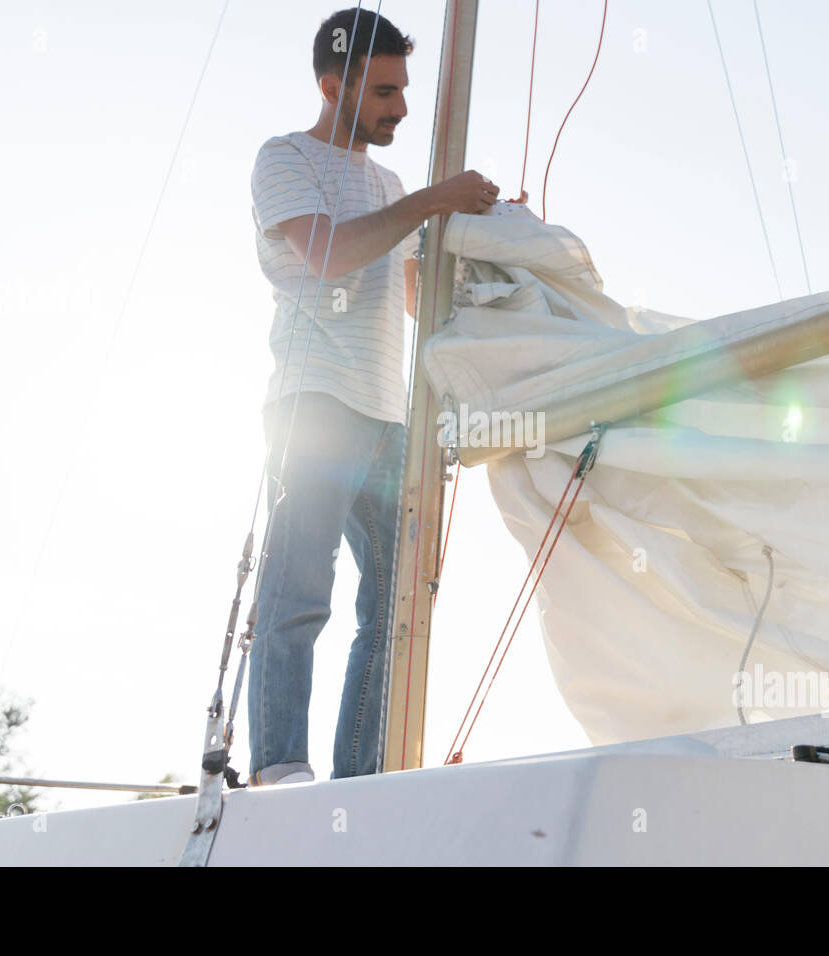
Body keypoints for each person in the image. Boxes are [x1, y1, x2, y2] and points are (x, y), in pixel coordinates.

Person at [246, 8, 500, 786]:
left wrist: (493, 243)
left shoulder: (390, 185)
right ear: (335, 85)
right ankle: (280, 765)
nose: (401, 107)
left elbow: (413, 293)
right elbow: (329, 256)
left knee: (395, 611)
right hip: (314, 405)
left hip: (393, 417)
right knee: (299, 590)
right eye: (385, 90)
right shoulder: (283, 158)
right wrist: (428, 202)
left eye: (403, 89)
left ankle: (362, 778)